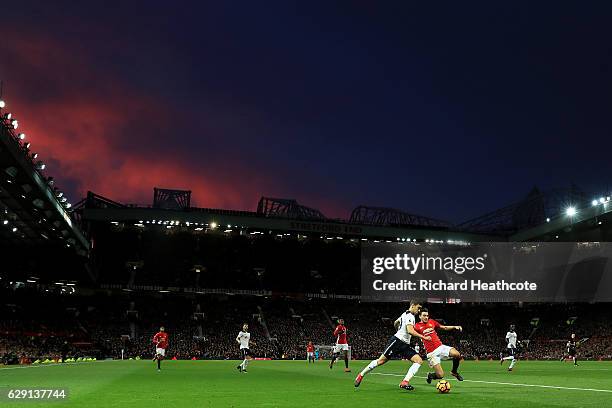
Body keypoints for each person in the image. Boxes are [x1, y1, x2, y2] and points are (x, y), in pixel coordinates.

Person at [354, 300, 427, 391]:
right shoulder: (409, 316)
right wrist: (423, 337)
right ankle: (361, 375)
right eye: (418, 308)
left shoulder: (405, 314)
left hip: (405, 345)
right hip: (397, 342)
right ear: (413, 305)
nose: (419, 310)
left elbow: (395, 322)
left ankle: (405, 382)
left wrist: (398, 329)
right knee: (380, 361)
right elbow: (410, 331)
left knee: (418, 360)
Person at [413, 308, 464, 383]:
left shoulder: (432, 321)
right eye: (424, 315)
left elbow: (444, 327)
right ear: (420, 316)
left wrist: (454, 326)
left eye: (427, 315)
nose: (426, 317)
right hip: (431, 353)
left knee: (457, 354)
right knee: (440, 375)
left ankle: (454, 372)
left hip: (440, 347)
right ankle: (430, 375)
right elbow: (410, 331)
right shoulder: (417, 326)